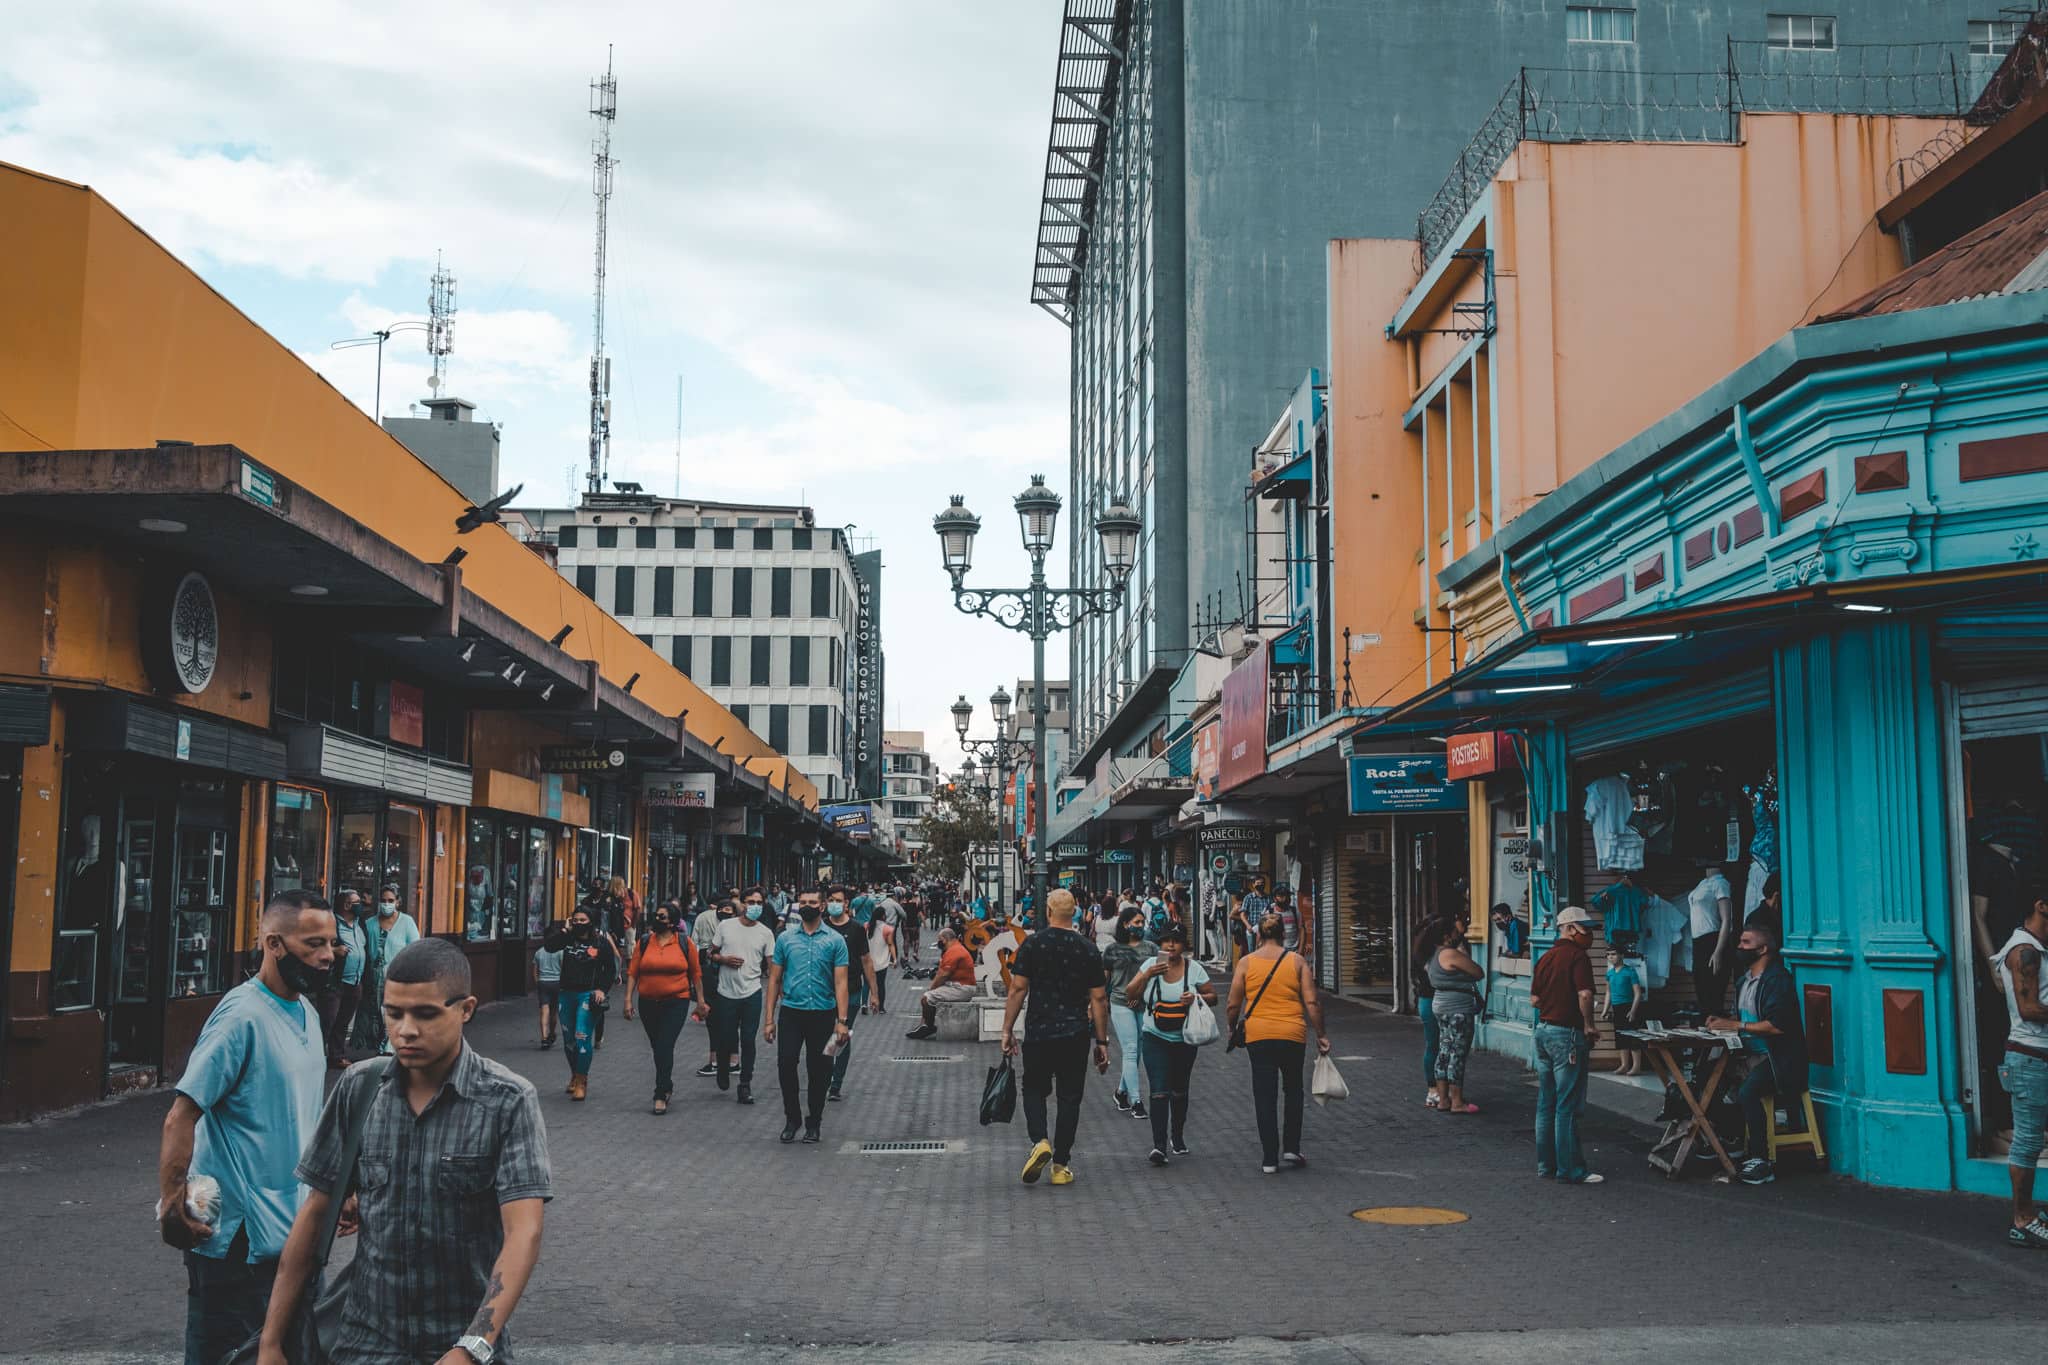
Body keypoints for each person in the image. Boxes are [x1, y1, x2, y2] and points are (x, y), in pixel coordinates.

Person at [258, 939, 550, 1365]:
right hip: (366, 1344)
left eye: (425, 1013)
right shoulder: (359, 1089)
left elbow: (524, 1232)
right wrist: (272, 1340)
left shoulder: (507, 1099)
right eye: (393, 1013)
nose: (406, 1030)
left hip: (461, 1343)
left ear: (466, 1009)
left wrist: (474, 1346)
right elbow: (314, 1215)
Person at [158, 890, 335, 1365]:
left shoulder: (308, 1013)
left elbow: (305, 1116)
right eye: (313, 943)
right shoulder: (241, 1017)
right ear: (273, 943)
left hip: (293, 1230)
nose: (325, 956)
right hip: (238, 1239)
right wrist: (173, 1201)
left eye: (332, 944)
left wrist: (341, 1188)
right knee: (228, 1355)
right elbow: (182, 1114)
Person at [1003, 888, 1112, 1186]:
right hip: (1075, 1033)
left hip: (1040, 1031)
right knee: (1069, 1098)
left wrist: (1007, 1029)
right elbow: (1099, 999)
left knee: (1034, 1089)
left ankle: (1040, 1141)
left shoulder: (1033, 944)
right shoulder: (1088, 948)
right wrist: (1101, 1041)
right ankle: (1061, 1165)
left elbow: (1018, 989)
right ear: (1074, 911)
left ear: (1048, 911)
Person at [1228, 911, 1331, 1173]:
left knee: (1265, 1095)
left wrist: (1232, 1027)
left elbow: (1233, 1003)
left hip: (1258, 1034)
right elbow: (1311, 1002)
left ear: (1259, 935)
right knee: (1293, 1090)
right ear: (1284, 935)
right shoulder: (1297, 962)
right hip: (1292, 1033)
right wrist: (1321, 1034)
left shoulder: (1246, 963)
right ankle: (1291, 1148)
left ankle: (1269, 1159)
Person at [1708, 922, 1808, 1186]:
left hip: (1778, 1060)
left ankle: (1761, 1160)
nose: (1739, 948)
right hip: (1746, 1055)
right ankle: (1730, 1140)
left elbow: (1776, 1026)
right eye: (1740, 942)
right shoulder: (1744, 981)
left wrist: (1736, 1025)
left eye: (1745, 943)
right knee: (1708, 1080)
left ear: (1763, 949)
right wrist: (1722, 1022)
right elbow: (1743, 1019)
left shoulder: (1778, 981)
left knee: (1748, 1092)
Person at [1125, 922, 1217, 1165]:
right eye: (1166, 941)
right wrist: (1147, 975)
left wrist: (1195, 996)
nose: (1170, 945)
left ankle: (1177, 1136)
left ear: (1183, 945)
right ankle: (1159, 1146)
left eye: (1175, 941)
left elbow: (1213, 996)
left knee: (1179, 1090)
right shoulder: (1149, 965)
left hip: (1184, 1039)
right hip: (1155, 1037)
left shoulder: (1194, 968)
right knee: (1159, 1090)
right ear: (1160, 944)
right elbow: (1130, 994)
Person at [765, 888, 851, 1143]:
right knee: (786, 1064)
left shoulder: (835, 940)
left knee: (821, 1069)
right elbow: (774, 980)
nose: (807, 906)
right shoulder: (785, 939)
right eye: (802, 902)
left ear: (822, 906)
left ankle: (815, 1122)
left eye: (812, 902)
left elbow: (841, 983)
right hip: (792, 1012)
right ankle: (792, 1119)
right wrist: (769, 1019)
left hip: (824, 1015)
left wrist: (842, 1022)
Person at [1989, 885, 2048, 1248]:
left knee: (2031, 1140)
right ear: (2041, 906)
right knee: (2027, 1141)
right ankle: (2022, 1220)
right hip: (2030, 1059)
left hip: (2036, 1056)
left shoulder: (2034, 950)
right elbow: (2028, 1010)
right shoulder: (2025, 951)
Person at [1531, 905, 1604, 1184]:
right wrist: (1588, 1024)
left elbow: (1535, 1000)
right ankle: (1570, 1168)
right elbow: (1585, 994)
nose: (1590, 935)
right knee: (1567, 1105)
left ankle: (1546, 1165)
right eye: (1586, 929)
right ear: (1571, 928)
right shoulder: (1578, 957)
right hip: (1567, 1035)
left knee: (1546, 1102)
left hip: (1544, 1032)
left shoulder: (1546, 957)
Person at [626, 902, 703, 1115]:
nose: (657, 919)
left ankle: (660, 1094)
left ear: (672, 922)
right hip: (648, 1002)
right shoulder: (644, 942)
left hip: (676, 1001)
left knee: (664, 1045)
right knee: (657, 1047)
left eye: (662, 917)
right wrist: (628, 1000)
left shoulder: (684, 943)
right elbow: (633, 972)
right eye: (656, 915)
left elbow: (696, 974)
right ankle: (667, 1084)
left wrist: (702, 1002)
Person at [709, 893, 777, 1104]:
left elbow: (772, 964)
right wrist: (723, 959)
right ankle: (722, 1066)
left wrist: (779, 985)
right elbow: (710, 953)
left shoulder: (765, 933)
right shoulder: (726, 927)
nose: (755, 906)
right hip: (726, 992)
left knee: (748, 1040)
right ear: (743, 904)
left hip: (752, 992)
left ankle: (745, 1084)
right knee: (726, 1037)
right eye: (751, 902)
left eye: (759, 903)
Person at [542, 907, 616, 1101]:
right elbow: (549, 946)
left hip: (587, 994)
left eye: (583, 920)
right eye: (575, 920)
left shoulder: (600, 942)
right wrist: (565, 931)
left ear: (591, 921)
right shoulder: (568, 938)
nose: (579, 923)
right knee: (569, 1041)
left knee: (582, 1036)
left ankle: (582, 1080)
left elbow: (610, 968)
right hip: (566, 993)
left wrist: (601, 989)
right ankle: (574, 1074)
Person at [824, 888, 882, 1102]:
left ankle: (835, 1083)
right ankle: (825, 1075)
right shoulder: (822, 925)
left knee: (841, 1036)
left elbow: (866, 960)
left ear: (847, 904)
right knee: (825, 1035)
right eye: (830, 900)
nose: (834, 904)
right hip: (825, 990)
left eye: (838, 900)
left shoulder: (856, 929)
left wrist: (874, 994)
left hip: (852, 991)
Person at [1100, 908, 1156, 1116]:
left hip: (1144, 1004)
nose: (1141, 926)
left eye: (1142, 922)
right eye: (1137, 922)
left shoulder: (1151, 948)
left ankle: (1122, 1092)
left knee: (1138, 1051)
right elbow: (1103, 980)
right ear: (1125, 924)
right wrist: (1099, 1003)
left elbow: (1157, 976)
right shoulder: (1112, 950)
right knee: (1131, 1049)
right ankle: (1136, 1101)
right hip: (1121, 1003)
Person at [1427, 916, 1485, 1115]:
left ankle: (1443, 1100)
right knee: (1457, 1053)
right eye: (1454, 931)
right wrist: (1462, 950)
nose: (1457, 934)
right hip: (1458, 1009)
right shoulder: (1450, 954)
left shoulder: (1433, 954)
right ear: (1447, 935)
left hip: (1441, 1006)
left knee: (1444, 1051)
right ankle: (1457, 1101)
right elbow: (1478, 972)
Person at [355, 884, 421, 1054]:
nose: (386, 904)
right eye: (383, 900)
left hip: (396, 976)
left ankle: (390, 1044)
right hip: (373, 976)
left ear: (398, 902)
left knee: (392, 1010)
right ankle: (375, 1042)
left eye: (390, 900)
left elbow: (415, 950)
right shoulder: (370, 923)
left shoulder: (406, 922)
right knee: (375, 1009)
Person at [318, 889, 366, 1071]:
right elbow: (318, 944)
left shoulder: (359, 925)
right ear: (346, 905)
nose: (361, 905)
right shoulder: (331, 923)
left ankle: (336, 1056)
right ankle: (314, 1055)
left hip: (355, 981)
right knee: (327, 1020)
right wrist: (334, 951)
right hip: (335, 982)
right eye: (357, 902)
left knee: (343, 1021)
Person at [904, 928, 978, 1039]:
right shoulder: (954, 948)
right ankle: (924, 1025)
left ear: (944, 939)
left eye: (939, 939)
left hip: (962, 989)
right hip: (958, 986)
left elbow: (943, 975)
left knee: (927, 998)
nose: (938, 942)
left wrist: (931, 989)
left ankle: (928, 1027)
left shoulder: (954, 951)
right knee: (929, 997)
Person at [691, 892, 733, 1077]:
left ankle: (716, 1060)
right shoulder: (736, 924)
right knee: (727, 1018)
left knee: (715, 1018)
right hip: (724, 973)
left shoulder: (702, 917)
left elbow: (694, 942)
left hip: (709, 970)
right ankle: (730, 1061)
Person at [1411, 915, 1444, 1109]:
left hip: (1425, 1000)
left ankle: (1434, 1089)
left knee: (1433, 1045)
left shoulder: (1419, 952)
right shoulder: (1436, 955)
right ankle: (1437, 1089)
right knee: (1440, 1046)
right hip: (1434, 1000)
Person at [1602, 948, 1646, 1075]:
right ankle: (1624, 1065)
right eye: (1608, 955)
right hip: (1617, 1008)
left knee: (1633, 1037)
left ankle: (1636, 1066)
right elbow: (1608, 992)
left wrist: (1633, 1011)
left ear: (1621, 955)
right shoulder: (1609, 973)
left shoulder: (1630, 972)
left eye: (1614, 954)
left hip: (1629, 1007)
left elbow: (1638, 993)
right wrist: (1605, 1010)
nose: (1611, 957)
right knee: (1621, 1037)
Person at [532, 932, 563, 1050]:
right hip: (557, 982)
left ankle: (544, 1037)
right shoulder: (560, 952)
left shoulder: (539, 952)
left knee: (544, 1010)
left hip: (543, 983)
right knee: (554, 1011)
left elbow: (535, 971)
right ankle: (552, 1033)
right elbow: (563, 968)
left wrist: (538, 983)